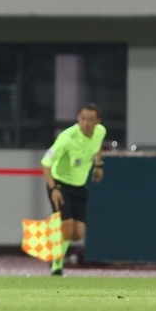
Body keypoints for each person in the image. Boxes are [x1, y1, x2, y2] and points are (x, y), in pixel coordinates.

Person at [41, 103, 106, 276]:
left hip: (79, 185)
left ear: (98, 121)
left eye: (91, 120)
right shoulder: (67, 138)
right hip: (60, 184)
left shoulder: (100, 132)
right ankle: (57, 265)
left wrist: (98, 165)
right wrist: (53, 188)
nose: (86, 123)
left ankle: (51, 234)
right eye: (83, 119)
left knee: (78, 233)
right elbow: (45, 163)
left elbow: (98, 145)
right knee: (67, 227)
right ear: (78, 119)